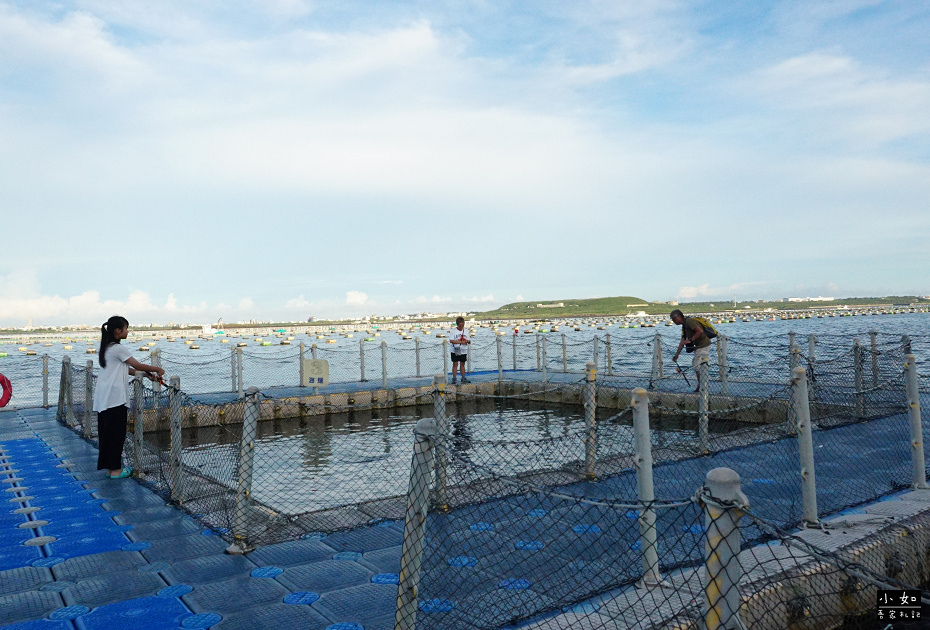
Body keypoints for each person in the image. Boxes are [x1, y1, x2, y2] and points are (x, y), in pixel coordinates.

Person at [93, 315, 164, 479]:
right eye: (126, 328)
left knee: (107, 434)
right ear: (118, 331)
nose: (127, 331)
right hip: (115, 398)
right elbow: (136, 365)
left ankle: (111, 469)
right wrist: (157, 369)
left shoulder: (107, 347)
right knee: (116, 435)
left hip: (104, 397)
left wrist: (146, 374)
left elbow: (125, 369)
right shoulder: (118, 348)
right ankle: (116, 471)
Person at [670, 309, 712, 392]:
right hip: (699, 346)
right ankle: (702, 385)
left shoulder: (689, 321)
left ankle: (703, 386)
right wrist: (676, 355)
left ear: (678, 317)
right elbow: (682, 342)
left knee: (697, 364)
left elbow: (699, 331)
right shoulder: (684, 326)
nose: (673, 321)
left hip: (704, 345)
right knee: (696, 364)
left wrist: (691, 340)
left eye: (673, 319)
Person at [449, 316, 471, 384]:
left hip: (463, 350)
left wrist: (467, 341)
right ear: (457, 324)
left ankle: (463, 378)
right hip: (455, 350)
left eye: (462, 325)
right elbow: (451, 340)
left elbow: (469, 340)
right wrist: (460, 342)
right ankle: (454, 378)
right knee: (455, 364)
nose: (461, 327)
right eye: (460, 325)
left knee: (462, 364)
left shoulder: (466, 331)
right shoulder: (453, 331)